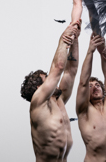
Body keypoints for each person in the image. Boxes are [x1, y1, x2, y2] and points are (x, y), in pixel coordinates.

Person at [20, 21, 81, 162]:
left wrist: (75, 39)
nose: (51, 80)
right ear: (38, 89)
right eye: (46, 79)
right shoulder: (38, 102)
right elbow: (59, 67)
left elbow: (71, 71)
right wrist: (63, 39)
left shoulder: (58, 101)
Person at [76, 33, 106, 162]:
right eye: (91, 86)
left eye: (97, 85)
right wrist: (90, 51)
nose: (95, 87)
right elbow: (82, 82)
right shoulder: (84, 110)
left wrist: (103, 53)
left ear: (103, 89)